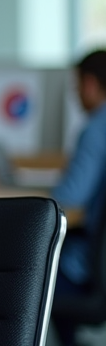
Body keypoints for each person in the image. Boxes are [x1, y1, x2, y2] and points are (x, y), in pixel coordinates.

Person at [53, 50, 106, 292]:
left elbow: (70, 198)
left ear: (90, 84)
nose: (75, 94)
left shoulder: (96, 130)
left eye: (77, 86)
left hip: (85, 266)